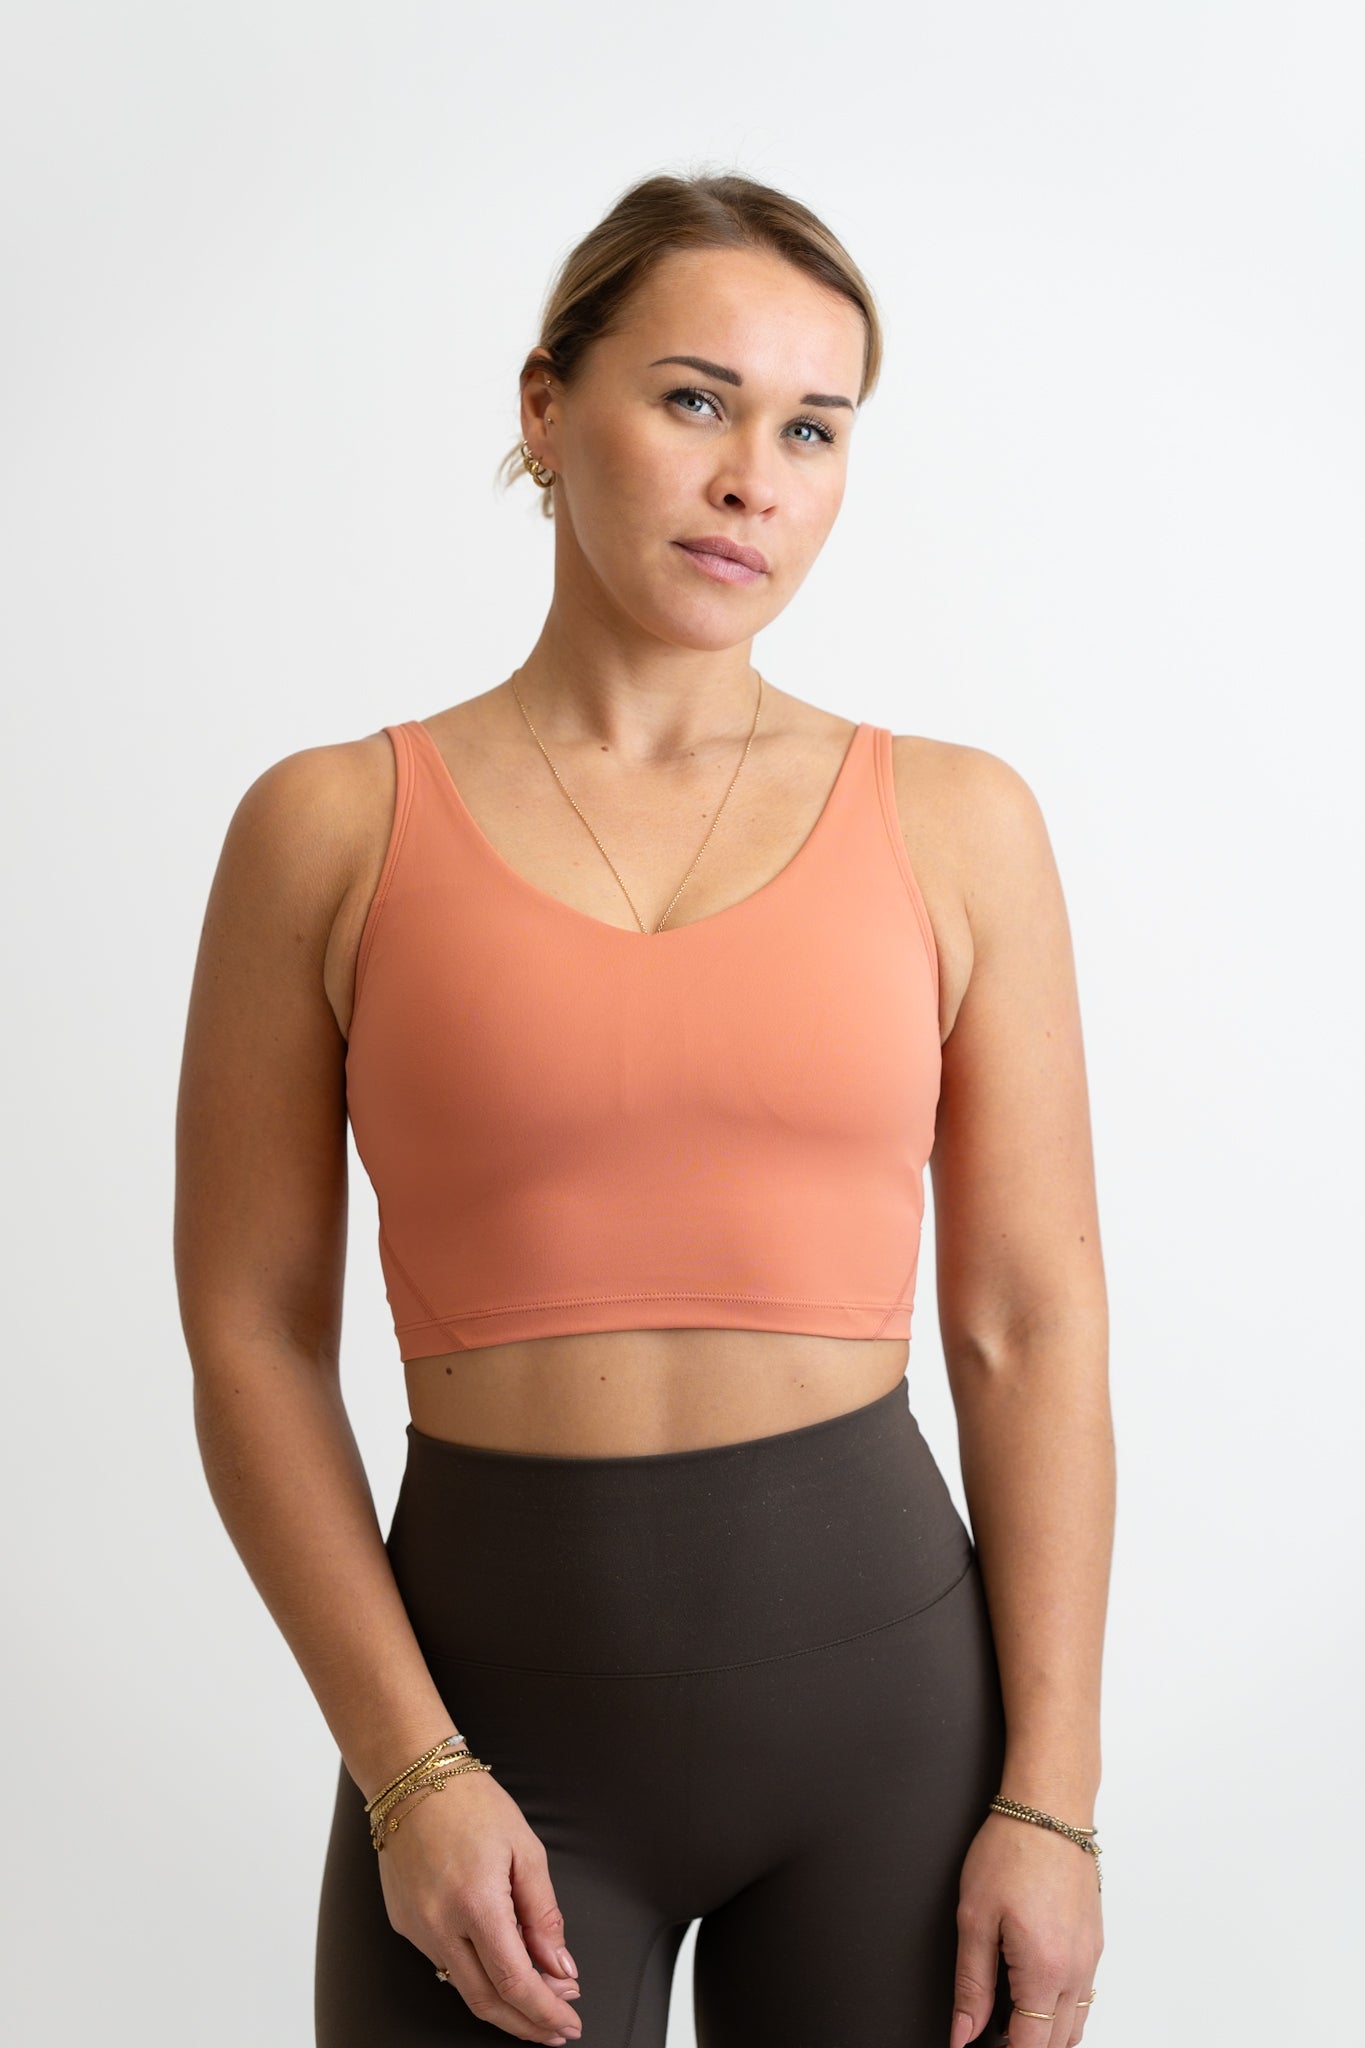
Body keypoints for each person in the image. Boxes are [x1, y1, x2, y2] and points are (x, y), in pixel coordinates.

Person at [174, 169, 1114, 2048]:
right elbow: (251, 1334)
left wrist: (1051, 1800)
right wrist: (408, 1771)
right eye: (695, 400)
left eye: (811, 429)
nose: (752, 478)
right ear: (545, 407)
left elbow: (1026, 1322)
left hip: (892, 1743)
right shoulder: (328, 828)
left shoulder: (958, 824)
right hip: (484, 1747)